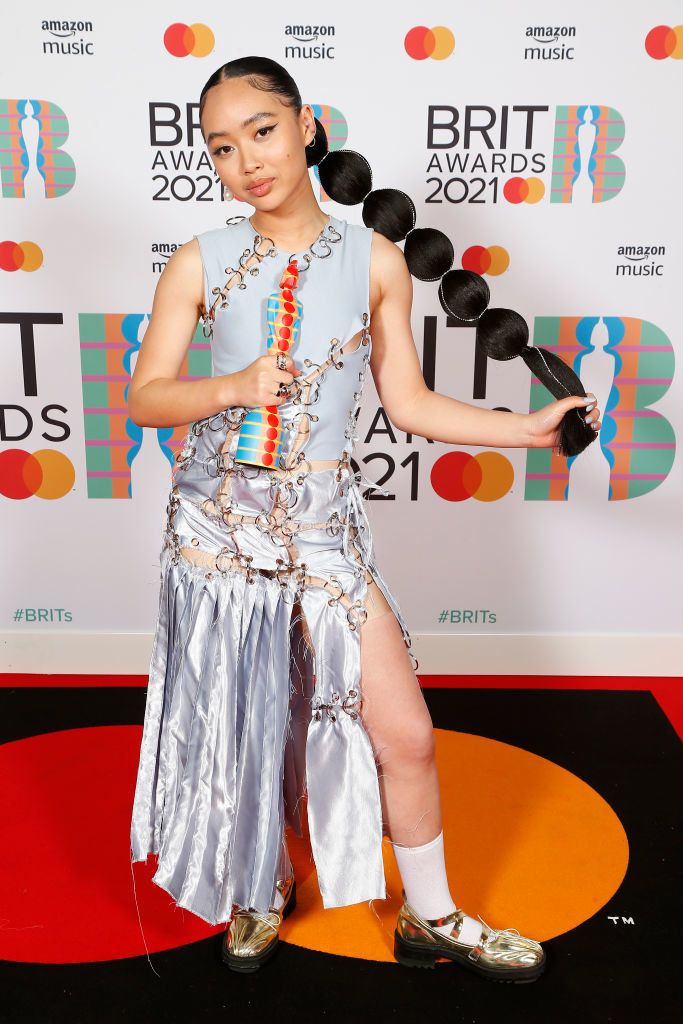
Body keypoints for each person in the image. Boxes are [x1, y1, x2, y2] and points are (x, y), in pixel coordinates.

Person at [127, 56, 601, 982]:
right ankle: (258, 886)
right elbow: (146, 397)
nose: (245, 160)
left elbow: (412, 403)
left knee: (406, 733)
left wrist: (525, 429)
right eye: (221, 147)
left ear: (306, 127)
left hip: (321, 531)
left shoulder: (375, 259)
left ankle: (433, 915)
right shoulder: (199, 259)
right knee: (246, 730)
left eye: (261, 131)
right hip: (217, 533)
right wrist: (229, 386)